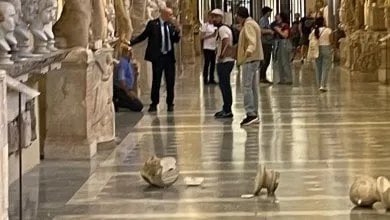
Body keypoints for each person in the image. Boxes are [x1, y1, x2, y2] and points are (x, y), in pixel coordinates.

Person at [130, 7, 181, 112]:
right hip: (158, 58)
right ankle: (154, 103)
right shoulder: (153, 24)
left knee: (170, 81)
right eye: (170, 14)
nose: (172, 17)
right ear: (163, 14)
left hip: (169, 58)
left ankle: (170, 103)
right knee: (156, 80)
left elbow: (175, 40)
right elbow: (143, 36)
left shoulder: (171, 25)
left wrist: (177, 31)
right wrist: (131, 42)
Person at [236, 7, 263, 126]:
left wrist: (248, 52)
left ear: (239, 16)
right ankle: (254, 113)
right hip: (254, 58)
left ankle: (250, 113)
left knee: (247, 87)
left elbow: (252, 41)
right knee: (253, 87)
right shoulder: (252, 23)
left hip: (250, 59)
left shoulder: (248, 25)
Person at [211, 9, 235, 119]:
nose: (214, 19)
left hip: (225, 61)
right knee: (224, 85)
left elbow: (225, 41)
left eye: (216, 17)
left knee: (224, 85)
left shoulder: (222, 29)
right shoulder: (223, 28)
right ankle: (226, 108)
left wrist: (222, 55)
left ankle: (227, 109)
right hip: (226, 60)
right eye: (213, 17)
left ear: (221, 18)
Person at [113, 45, 144, 112]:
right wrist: (128, 92)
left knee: (139, 104)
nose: (131, 53)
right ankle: (116, 102)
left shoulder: (128, 62)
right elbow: (121, 79)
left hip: (127, 88)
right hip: (121, 89)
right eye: (129, 52)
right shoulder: (123, 63)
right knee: (138, 106)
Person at [309, 17, 333, 92]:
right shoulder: (328, 30)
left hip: (317, 49)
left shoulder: (314, 31)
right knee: (325, 67)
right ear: (323, 22)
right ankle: (323, 85)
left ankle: (319, 84)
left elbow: (310, 39)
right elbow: (331, 40)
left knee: (318, 68)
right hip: (326, 48)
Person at [272, 12, 293, 85]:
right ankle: (282, 78)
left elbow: (285, 35)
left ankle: (288, 78)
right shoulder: (276, 25)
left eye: (278, 15)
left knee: (285, 61)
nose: (276, 16)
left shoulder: (285, 25)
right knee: (279, 61)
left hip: (284, 43)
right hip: (278, 44)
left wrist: (278, 30)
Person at [201, 12, 218, 85]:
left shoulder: (216, 26)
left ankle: (212, 78)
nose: (212, 19)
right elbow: (201, 37)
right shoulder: (205, 26)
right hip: (207, 47)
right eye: (210, 17)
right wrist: (211, 35)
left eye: (213, 17)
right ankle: (205, 78)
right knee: (207, 63)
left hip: (213, 47)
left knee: (213, 63)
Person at [258, 6, 273, 84]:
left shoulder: (266, 20)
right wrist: (270, 31)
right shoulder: (263, 20)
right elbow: (261, 30)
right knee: (265, 60)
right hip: (265, 42)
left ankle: (263, 76)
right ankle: (261, 77)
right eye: (269, 12)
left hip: (268, 42)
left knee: (267, 60)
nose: (270, 14)